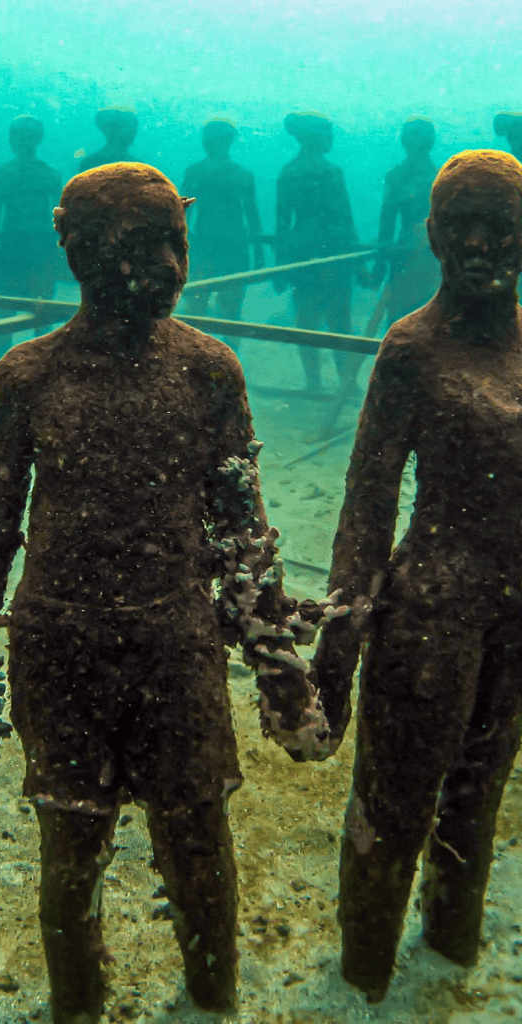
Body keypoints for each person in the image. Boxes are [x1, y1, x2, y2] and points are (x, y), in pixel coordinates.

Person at [0, 163, 329, 1023]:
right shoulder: (28, 377)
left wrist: (278, 671)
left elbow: (242, 531)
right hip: (59, 648)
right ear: (79, 252)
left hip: (178, 645)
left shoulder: (208, 371)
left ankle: (212, 999)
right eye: (136, 246)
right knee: (71, 848)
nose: (162, 266)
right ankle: (77, 1006)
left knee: (198, 839)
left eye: (175, 243)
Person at [312, 149, 522, 1002]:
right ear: (431, 234)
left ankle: (452, 939)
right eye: (461, 227)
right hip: (427, 611)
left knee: (480, 791)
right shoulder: (410, 349)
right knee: (395, 801)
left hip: (513, 618)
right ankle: (364, 965)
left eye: (500, 227)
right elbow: (366, 504)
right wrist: (338, 646)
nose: (479, 245)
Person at [275, 112, 366, 393]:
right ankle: (346, 383)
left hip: (301, 252)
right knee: (339, 320)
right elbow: (345, 217)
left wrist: (281, 264)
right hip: (334, 251)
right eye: (328, 133)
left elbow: (282, 224)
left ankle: (314, 383)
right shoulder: (331, 172)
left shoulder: (288, 171)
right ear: (316, 137)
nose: (332, 138)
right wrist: (359, 261)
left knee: (307, 319)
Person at [0, 115, 62, 365]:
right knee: (42, 313)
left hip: (12, 248)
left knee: (4, 313)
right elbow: (59, 217)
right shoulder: (50, 174)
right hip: (40, 249)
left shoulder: (5, 173)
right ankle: (42, 370)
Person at [180, 118, 265, 331]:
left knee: (198, 308)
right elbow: (252, 217)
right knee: (227, 310)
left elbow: (183, 215)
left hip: (208, 245)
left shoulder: (196, 172)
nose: (206, 143)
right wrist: (259, 253)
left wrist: (178, 248)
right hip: (231, 246)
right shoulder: (242, 175)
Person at [369, 117, 441, 329]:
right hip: (424, 253)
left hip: (410, 253)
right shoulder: (438, 175)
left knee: (403, 319)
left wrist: (380, 264)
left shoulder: (398, 176)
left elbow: (386, 224)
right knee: (415, 317)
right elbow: (386, 223)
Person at [78, 107, 138, 172]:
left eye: (134, 129)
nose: (133, 133)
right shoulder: (89, 163)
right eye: (128, 127)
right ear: (110, 130)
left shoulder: (89, 162)